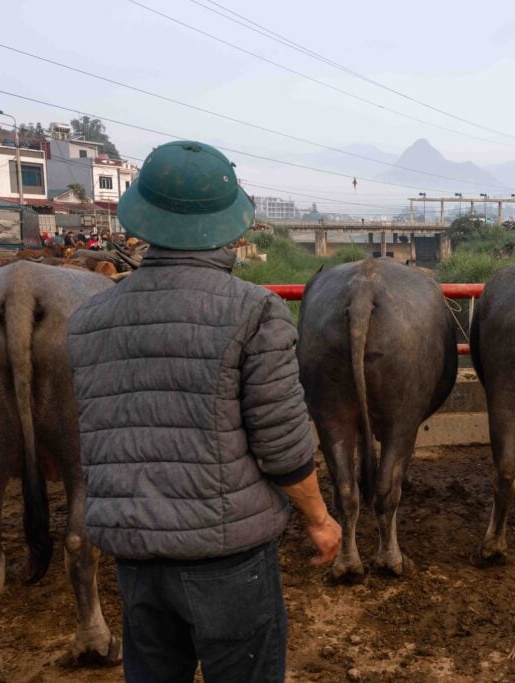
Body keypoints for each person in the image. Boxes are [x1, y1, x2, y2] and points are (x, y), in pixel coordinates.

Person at [66, 140, 341, 682]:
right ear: (230, 226)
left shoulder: (89, 318)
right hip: (226, 560)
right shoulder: (255, 310)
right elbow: (283, 444)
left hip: (136, 555)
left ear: (142, 218)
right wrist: (320, 519)